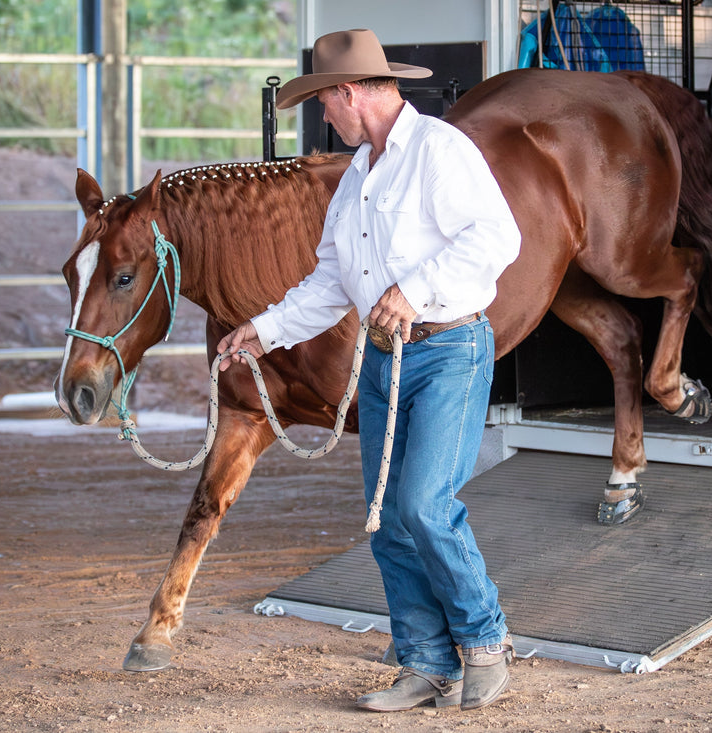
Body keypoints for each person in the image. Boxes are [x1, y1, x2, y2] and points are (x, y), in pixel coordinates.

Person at [216, 28, 521, 712]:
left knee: (423, 504)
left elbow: (498, 237)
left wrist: (414, 290)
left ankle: (486, 639)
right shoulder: (358, 175)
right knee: (388, 521)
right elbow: (330, 281)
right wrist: (263, 332)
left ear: (348, 93)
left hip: (447, 349)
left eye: (324, 103)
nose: (323, 116)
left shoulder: (441, 151)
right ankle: (425, 662)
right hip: (385, 357)